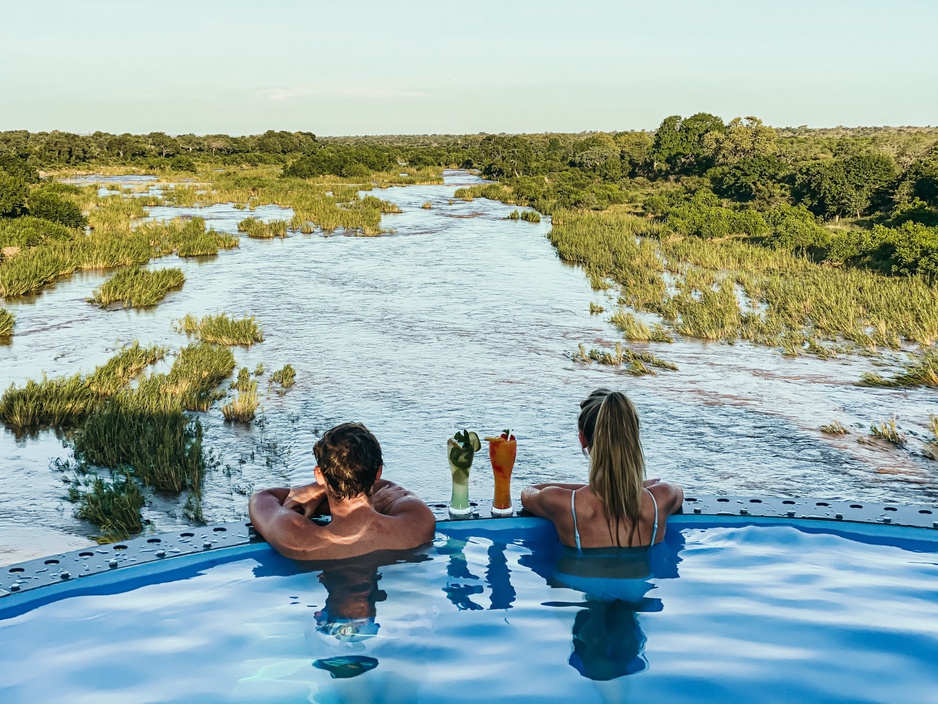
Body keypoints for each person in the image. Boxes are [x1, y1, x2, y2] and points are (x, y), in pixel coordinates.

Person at [521, 389, 683, 550]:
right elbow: (679, 491)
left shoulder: (561, 502)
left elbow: (528, 492)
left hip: (572, 575)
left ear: (582, 438)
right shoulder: (661, 499)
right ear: (633, 438)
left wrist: (590, 488)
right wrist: (632, 485)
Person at [249, 422, 435, 560]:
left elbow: (262, 498)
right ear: (378, 472)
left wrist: (317, 490)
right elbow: (394, 489)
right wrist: (374, 504)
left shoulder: (298, 541)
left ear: (319, 475)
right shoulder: (418, 524)